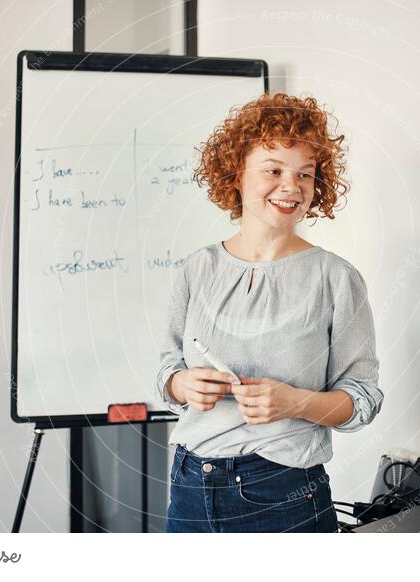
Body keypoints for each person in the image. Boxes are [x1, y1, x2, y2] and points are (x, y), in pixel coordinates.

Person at [155, 92, 383, 533]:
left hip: (283, 491)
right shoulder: (196, 269)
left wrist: (295, 403)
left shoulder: (335, 277)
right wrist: (181, 384)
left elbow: (364, 399)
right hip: (189, 486)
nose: (290, 186)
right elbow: (167, 369)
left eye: (305, 174)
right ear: (236, 174)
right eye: (274, 170)